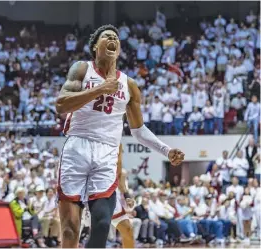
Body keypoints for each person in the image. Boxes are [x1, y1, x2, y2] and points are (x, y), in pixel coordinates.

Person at [55, 24, 185, 248]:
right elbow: (61, 104)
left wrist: (166, 149)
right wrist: (99, 89)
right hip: (77, 146)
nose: (113, 39)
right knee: (69, 229)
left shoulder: (130, 85)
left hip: (107, 152)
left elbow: (139, 130)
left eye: (116, 37)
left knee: (103, 223)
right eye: (107, 36)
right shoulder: (81, 69)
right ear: (96, 46)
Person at [111, 144, 135, 248]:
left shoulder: (121, 170)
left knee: (128, 229)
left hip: (112, 200)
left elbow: (122, 186)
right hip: (92, 198)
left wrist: (127, 197)